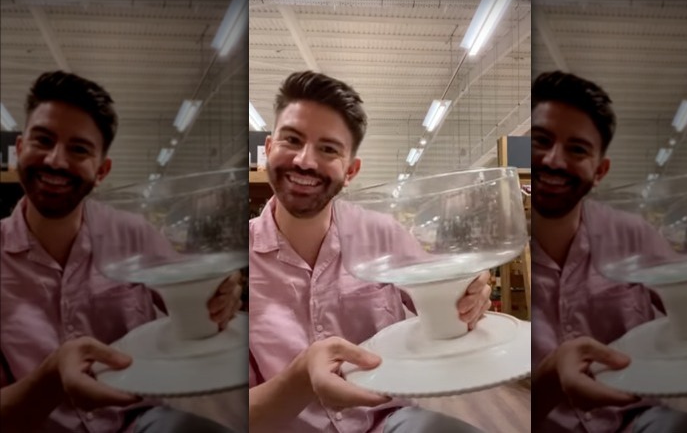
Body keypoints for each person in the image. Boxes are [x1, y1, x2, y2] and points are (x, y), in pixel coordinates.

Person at [248, 71, 492, 433]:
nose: (305, 161)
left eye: (328, 149)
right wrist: (301, 377)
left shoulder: (383, 235)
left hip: (389, 422)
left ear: (351, 170)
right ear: (268, 149)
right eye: (292, 140)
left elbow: (447, 303)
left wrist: (469, 295)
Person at [0, 71, 243, 433]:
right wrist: (52, 375)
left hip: (140, 422)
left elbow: (198, 296)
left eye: (78, 149)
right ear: (19, 150)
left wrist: (221, 292)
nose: (55, 160)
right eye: (43, 140)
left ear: (102, 170)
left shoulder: (133, 234)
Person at [529, 71, 687, 433]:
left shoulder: (633, 234)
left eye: (577, 149)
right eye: (540, 140)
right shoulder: (499, 251)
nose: (553, 160)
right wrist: (550, 376)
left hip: (638, 420)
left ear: (600, 171)